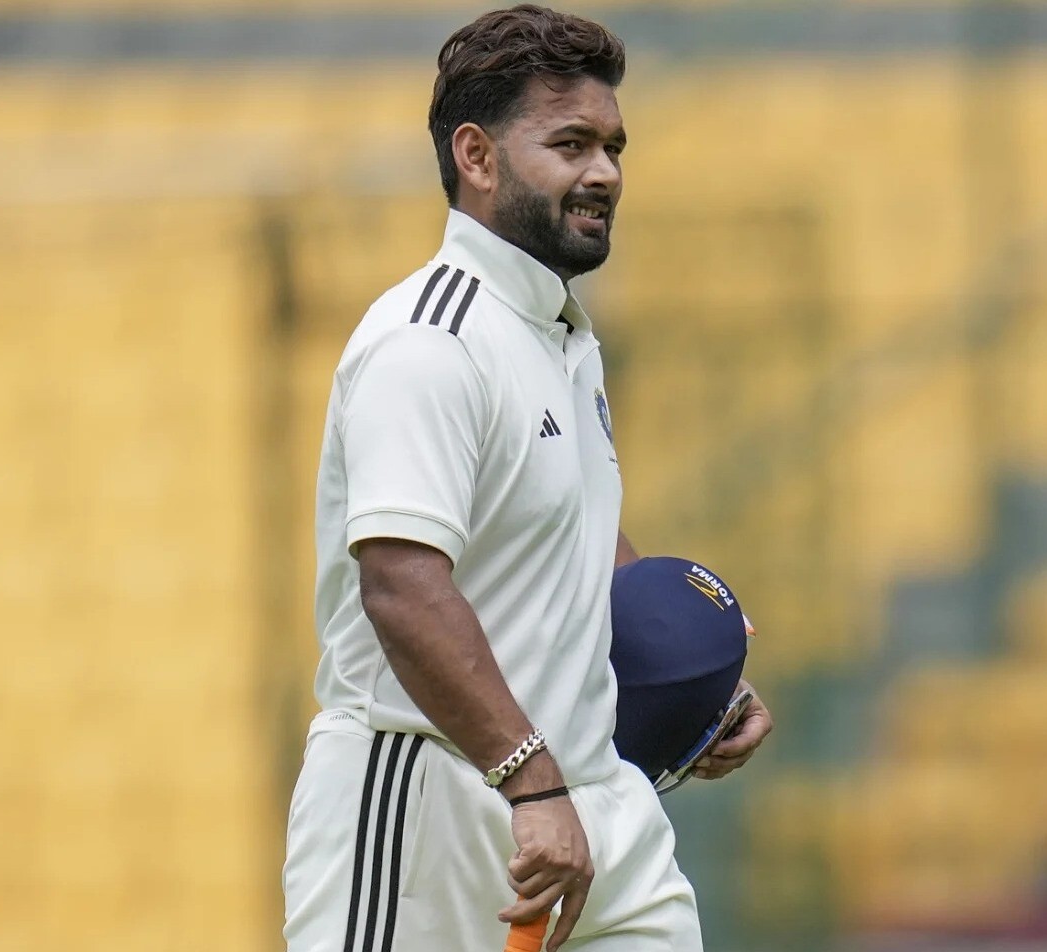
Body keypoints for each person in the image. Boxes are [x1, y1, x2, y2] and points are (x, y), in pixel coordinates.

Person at [282, 6, 773, 951]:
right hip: (429, 807)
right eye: (571, 144)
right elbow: (401, 584)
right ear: (477, 156)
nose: (605, 173)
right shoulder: (427, 342)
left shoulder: (561, 337)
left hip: (592, 807)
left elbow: (581, 541)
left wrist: (700, 690)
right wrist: (531, 781)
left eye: (614, 146)